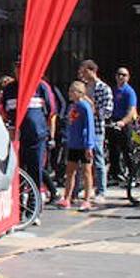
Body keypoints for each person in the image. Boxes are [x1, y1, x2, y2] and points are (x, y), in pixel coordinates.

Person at [0, 57, 59, 206]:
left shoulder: (41, 87)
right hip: (17, 138)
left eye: (22, 67)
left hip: (36, 137)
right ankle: (19, 206)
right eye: (17, 68)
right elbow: (3, 112)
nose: (19, 71)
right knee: (17, 173)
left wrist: (51, 136)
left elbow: (51, 112)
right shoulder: (9, 89)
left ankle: (34, 205)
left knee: (35, 171)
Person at [76, 60, 113, 200]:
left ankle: (101, 191)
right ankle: (84, 187)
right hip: (82, 127)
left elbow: (108, 111)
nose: (82, 74)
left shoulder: (104, 88)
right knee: (83, 160)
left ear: (92, 71)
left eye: (84, 71)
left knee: (98, 158)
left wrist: (92, 108)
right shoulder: (83, 87)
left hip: (96, 128)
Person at [58, 80, 96, 212]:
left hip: (84, 144)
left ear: (79, 93)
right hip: (73, 143)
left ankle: (86, 200)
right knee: (70, 172)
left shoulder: (85, 107)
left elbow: (89, 126)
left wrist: (89, 145)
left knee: (86, 172)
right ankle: (67, 197)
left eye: (72, 91)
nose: (70, 93)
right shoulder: (73, 107)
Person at [107, 66, 138, 185]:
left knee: (127, 150)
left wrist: (123, 122)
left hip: (124, 123)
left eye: (124, 75)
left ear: (128, 77)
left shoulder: (129, 92)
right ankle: (115, 175)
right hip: (113, 121)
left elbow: (131, 110)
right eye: (119, 74)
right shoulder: (113, 90)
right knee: (113, 150)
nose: (121, 77)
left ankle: (133, 175)